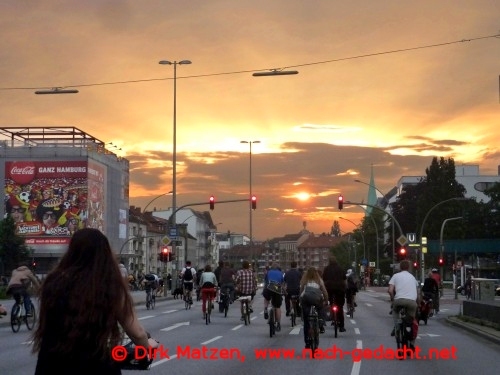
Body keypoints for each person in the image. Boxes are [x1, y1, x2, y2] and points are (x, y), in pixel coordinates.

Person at [32, 228, 158, 374]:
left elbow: (46, 325)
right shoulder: (110, 286)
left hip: (52, 364)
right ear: (105, 254)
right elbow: (137, 333)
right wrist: (147, 347)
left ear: (72, 251)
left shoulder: (53, 282)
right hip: (95, 365)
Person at [388, 260, 419, 348]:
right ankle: (412, 343)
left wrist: (393, 300)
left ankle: (397, 328)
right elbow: (417, 292)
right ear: (408, 267)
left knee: (395, 313)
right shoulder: (412, 277)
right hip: (411, 302)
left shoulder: (395, 276)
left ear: (400, 267)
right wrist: (418, 303)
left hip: (399, 301)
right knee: (413, 322)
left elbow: (390, 290)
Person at [300, 267, 328, 349]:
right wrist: (326, 300)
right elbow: (324, 291)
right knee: (321, 308)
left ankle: (307, 342)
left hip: (306, 300)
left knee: (306, 321)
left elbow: (301, 291)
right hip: (317, 299)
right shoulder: (319, 280)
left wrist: (300, 300)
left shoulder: (304, 280)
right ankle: (321, 321)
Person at [321, 256, 347, 332]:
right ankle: (341, 326)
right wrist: (345, 289)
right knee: (340, 307)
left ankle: (332, 314)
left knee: (330, 303)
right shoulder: (340, 268)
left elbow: (323, 279)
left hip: (329, 288)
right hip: (340, 289)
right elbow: (345, 280)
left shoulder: (326, 269)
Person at [262, 263, 284, 331]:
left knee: (266, 297)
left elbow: (266, 282)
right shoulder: (281, 273)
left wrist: (264, 291)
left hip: (269, 287)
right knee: (277, 307)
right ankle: (278, 323)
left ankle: (265, 309)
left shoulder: (268, 272)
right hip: (277, 288)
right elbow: (282, 283)